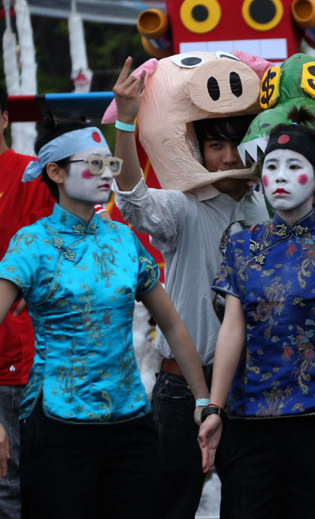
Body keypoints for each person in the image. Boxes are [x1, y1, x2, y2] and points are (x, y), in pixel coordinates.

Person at [0, 121, 209, 519]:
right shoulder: (32, 243)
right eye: (92, 163)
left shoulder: (122, 239)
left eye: (107, 162)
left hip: (130, 422)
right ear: (55, 172)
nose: (106, 173)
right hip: (58, 422)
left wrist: (204, 400)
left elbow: (172, 323)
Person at [111, 57, 269, 518]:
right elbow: (131, 195)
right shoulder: (183, 207)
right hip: (183, 388)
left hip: (252, 386)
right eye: (215, 145)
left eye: (237, 144)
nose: (228, 157)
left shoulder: (270, 207)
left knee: (250, 505)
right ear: (197, 150)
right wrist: (125, 119)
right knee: (171, 506)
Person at [197, 115, 315, 518]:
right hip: (248, 423)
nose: (280, 177)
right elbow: (233, 330)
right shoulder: (242, 243)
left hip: (313, 423)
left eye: (294, 167)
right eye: (271, 167)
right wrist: (215, 409)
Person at [0, 85, 53, 519]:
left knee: (13, 487)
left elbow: (53, 253)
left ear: (3, 119)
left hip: (15, 363)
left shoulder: (29, 175)